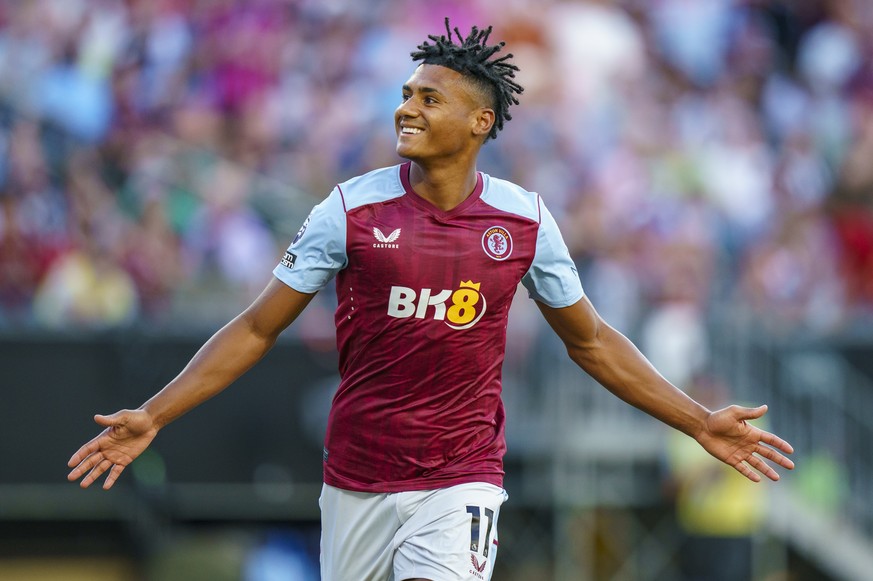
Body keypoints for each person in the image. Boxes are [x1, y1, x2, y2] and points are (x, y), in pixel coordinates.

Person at [67, 19, 795, 581]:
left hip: (461, 475)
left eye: (427, 98)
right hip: (354, 474)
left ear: (479, 123)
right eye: (405, 94)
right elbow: (257, 327)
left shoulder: (525, 221)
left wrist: (697, 421)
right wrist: (154, 414)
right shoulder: (347, 210)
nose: (405, 108)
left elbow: (592, 341)